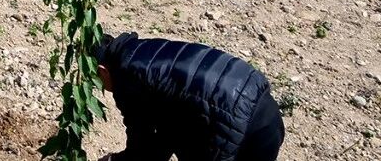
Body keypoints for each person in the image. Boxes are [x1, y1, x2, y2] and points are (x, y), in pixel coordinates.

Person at [95, 31, 284, 161]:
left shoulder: (127, 77)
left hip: (239, 126)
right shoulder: (146, 50)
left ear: (103, 71)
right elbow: (165, 136)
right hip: (266, 112)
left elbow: (142, 146)